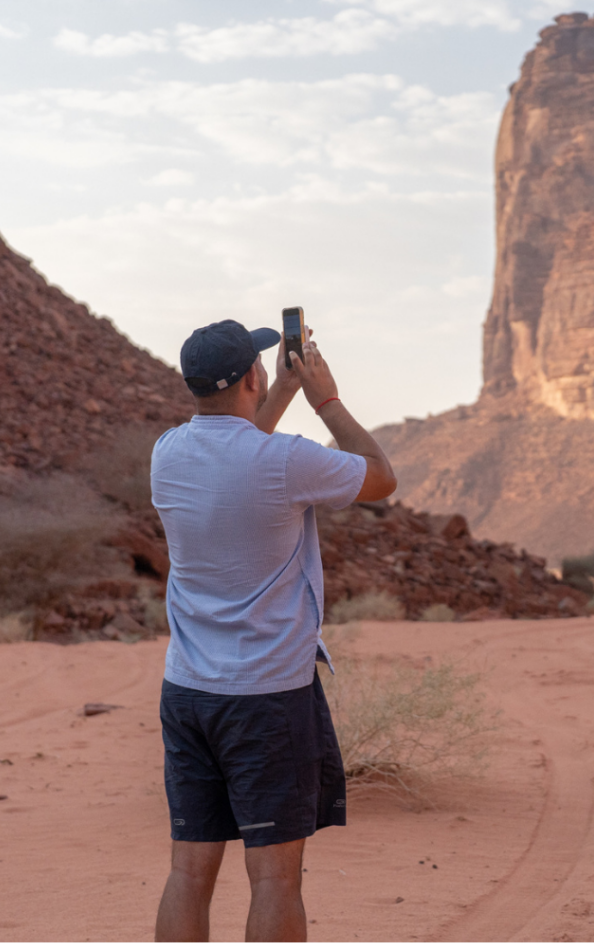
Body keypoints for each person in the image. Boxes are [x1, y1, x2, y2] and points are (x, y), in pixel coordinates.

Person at [150, 318, 396, 943]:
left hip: (188, 691)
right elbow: (380, 476)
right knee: (275, 881)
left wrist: (281, 390)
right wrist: (324, 398)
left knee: (188, 871)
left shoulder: (167, 453)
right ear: (251, 377)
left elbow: (236, 451)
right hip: (267, 697)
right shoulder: (286, 461)